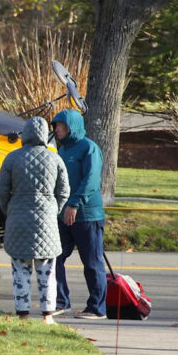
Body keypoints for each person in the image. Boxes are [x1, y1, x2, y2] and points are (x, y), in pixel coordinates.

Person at [0, 116, 69, 324]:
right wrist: (54, 209)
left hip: (18, 218)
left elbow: (2, 189)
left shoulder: (12, 158)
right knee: (47, 270)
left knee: (20, 269)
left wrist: (8, 208)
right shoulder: (55, 159)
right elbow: (64, 191)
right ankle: (47, 314)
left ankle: (22, 313)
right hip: (46, 219)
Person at [51, 109, 108, 320]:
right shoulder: (62, 150)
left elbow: (91, 181)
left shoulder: (89, 149)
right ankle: (60, 301)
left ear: (71, 127)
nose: (56, 129)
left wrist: (74, 204)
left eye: (60, 125)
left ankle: (96, 308)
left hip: (86, 216)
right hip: (62, 214)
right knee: (54, 257)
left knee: (92, 263)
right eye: (55, 125)